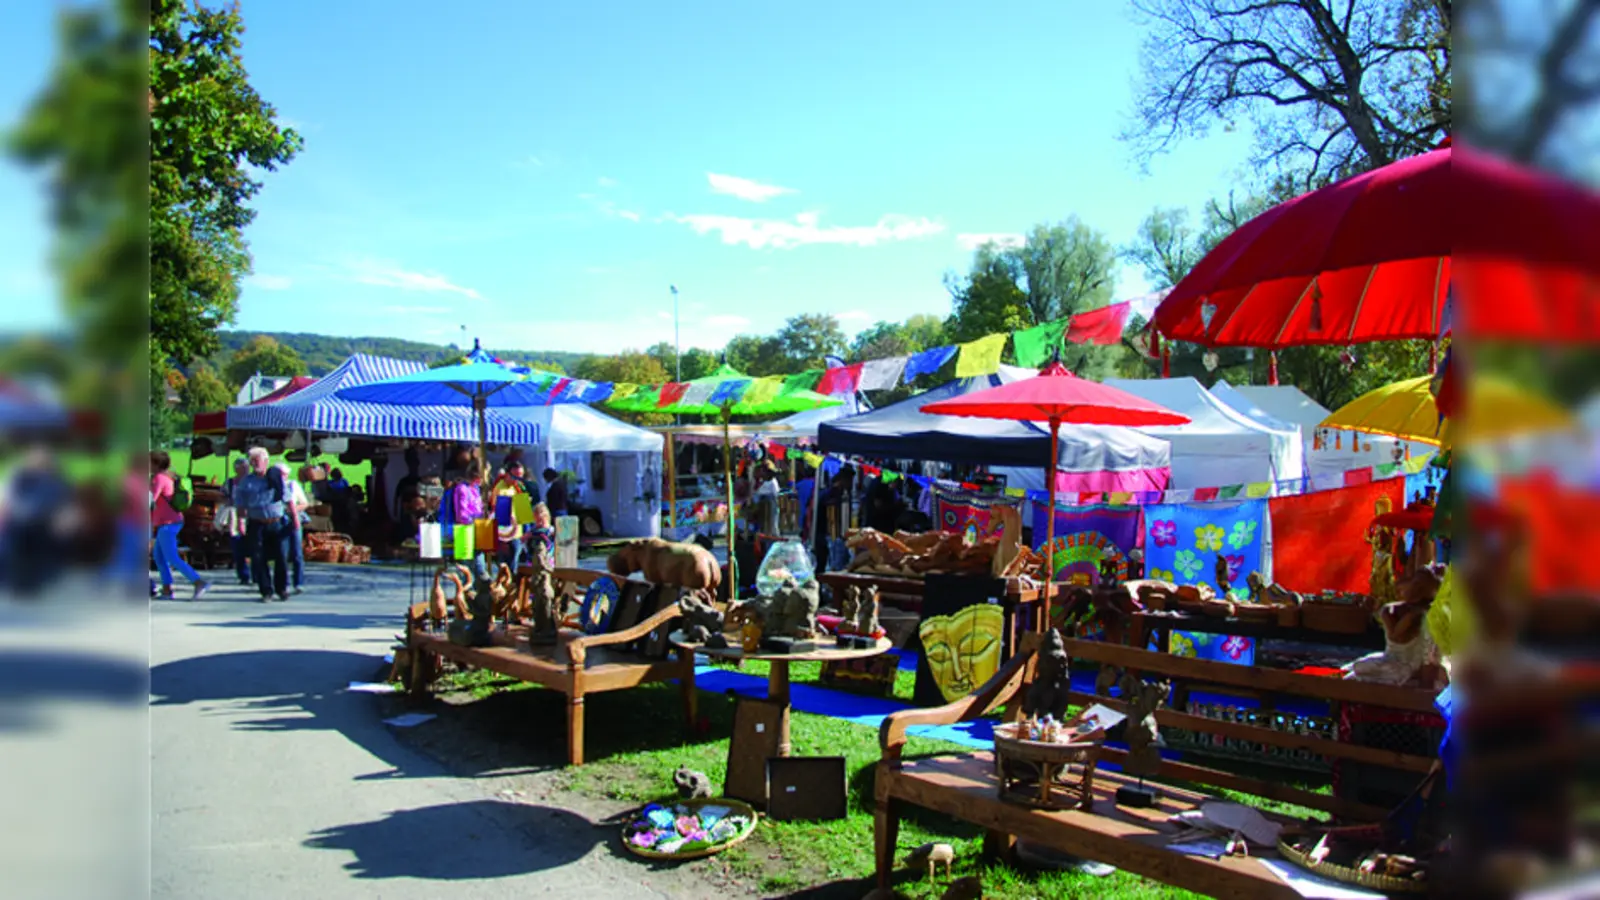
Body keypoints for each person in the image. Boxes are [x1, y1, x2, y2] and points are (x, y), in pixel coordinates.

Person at [150, 451, 211, 600]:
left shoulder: (159, 478)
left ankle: (198, 581)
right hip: (170, 521)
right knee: (159, 557)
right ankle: (167, 589)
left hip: (168, 522)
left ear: (157, 464)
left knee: (171, 557)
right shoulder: (169, 476)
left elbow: (150, 500)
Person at [238, 446, 292, 602]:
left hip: (276, 522)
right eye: (252, 461)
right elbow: (240, 503)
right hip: (256, 523)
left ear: (266, 461)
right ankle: (266, 590)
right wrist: (240, 521)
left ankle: (282, 588)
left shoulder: (275, 477)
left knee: (281, 556)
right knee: (258, 557)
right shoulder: (246, 482)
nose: (255, 463)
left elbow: (287, 500)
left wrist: (295, 519)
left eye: (258, 460)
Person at [277, 462, 310, 594]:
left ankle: (298, 582)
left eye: (284, 474)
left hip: (293, 519)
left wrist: (293, 509)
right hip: (279, 520)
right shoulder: (272, 486)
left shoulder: (292, 485)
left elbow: (304, 503)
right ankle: (284, 583)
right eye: (280, 474)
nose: (283, 477)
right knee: (282, 553)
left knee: (297, 553)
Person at [492, 460, 529, 572]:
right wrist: (503, 542)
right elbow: (501, 519)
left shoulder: (519, 487)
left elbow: (524, 513)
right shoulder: (501, 489)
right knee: (508, 567)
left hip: (518, 535)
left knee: (516, 565)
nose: (519, 479)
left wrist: (527, 533)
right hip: (508, 536)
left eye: (521, 476)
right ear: (508, 474)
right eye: (516, 476)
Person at [221, 457, 252, 585]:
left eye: (246, 467)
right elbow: (222, 495)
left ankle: (255, 574)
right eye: (242, 467)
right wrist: (227, 501)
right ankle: (243, 575)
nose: (246, 469)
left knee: (254, 547)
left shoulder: (253, 481)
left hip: (251, 516)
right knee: (238, 546)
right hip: (234, 516)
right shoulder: (229, 482)